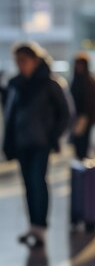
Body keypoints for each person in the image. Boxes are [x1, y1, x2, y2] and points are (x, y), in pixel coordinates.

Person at [2, 43, 70, 248]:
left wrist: (52, 137)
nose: (21, 65)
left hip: (41, 143)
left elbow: (65, 114)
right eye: (18, 62)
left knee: (37, 182)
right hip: (22, 143)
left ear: (35, 60)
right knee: (28, 186)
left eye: (24, 61)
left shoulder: (50, 84)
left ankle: (40, 226)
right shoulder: (15, 85)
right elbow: (10, 115)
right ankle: (33, 225)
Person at [69, 52, 95, 160]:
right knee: (77, 143)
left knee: (84, 143)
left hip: (86, 118)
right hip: (76, 117)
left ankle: (83, 166)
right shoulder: (75, 81)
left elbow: (94, 102)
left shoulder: (90, 82)